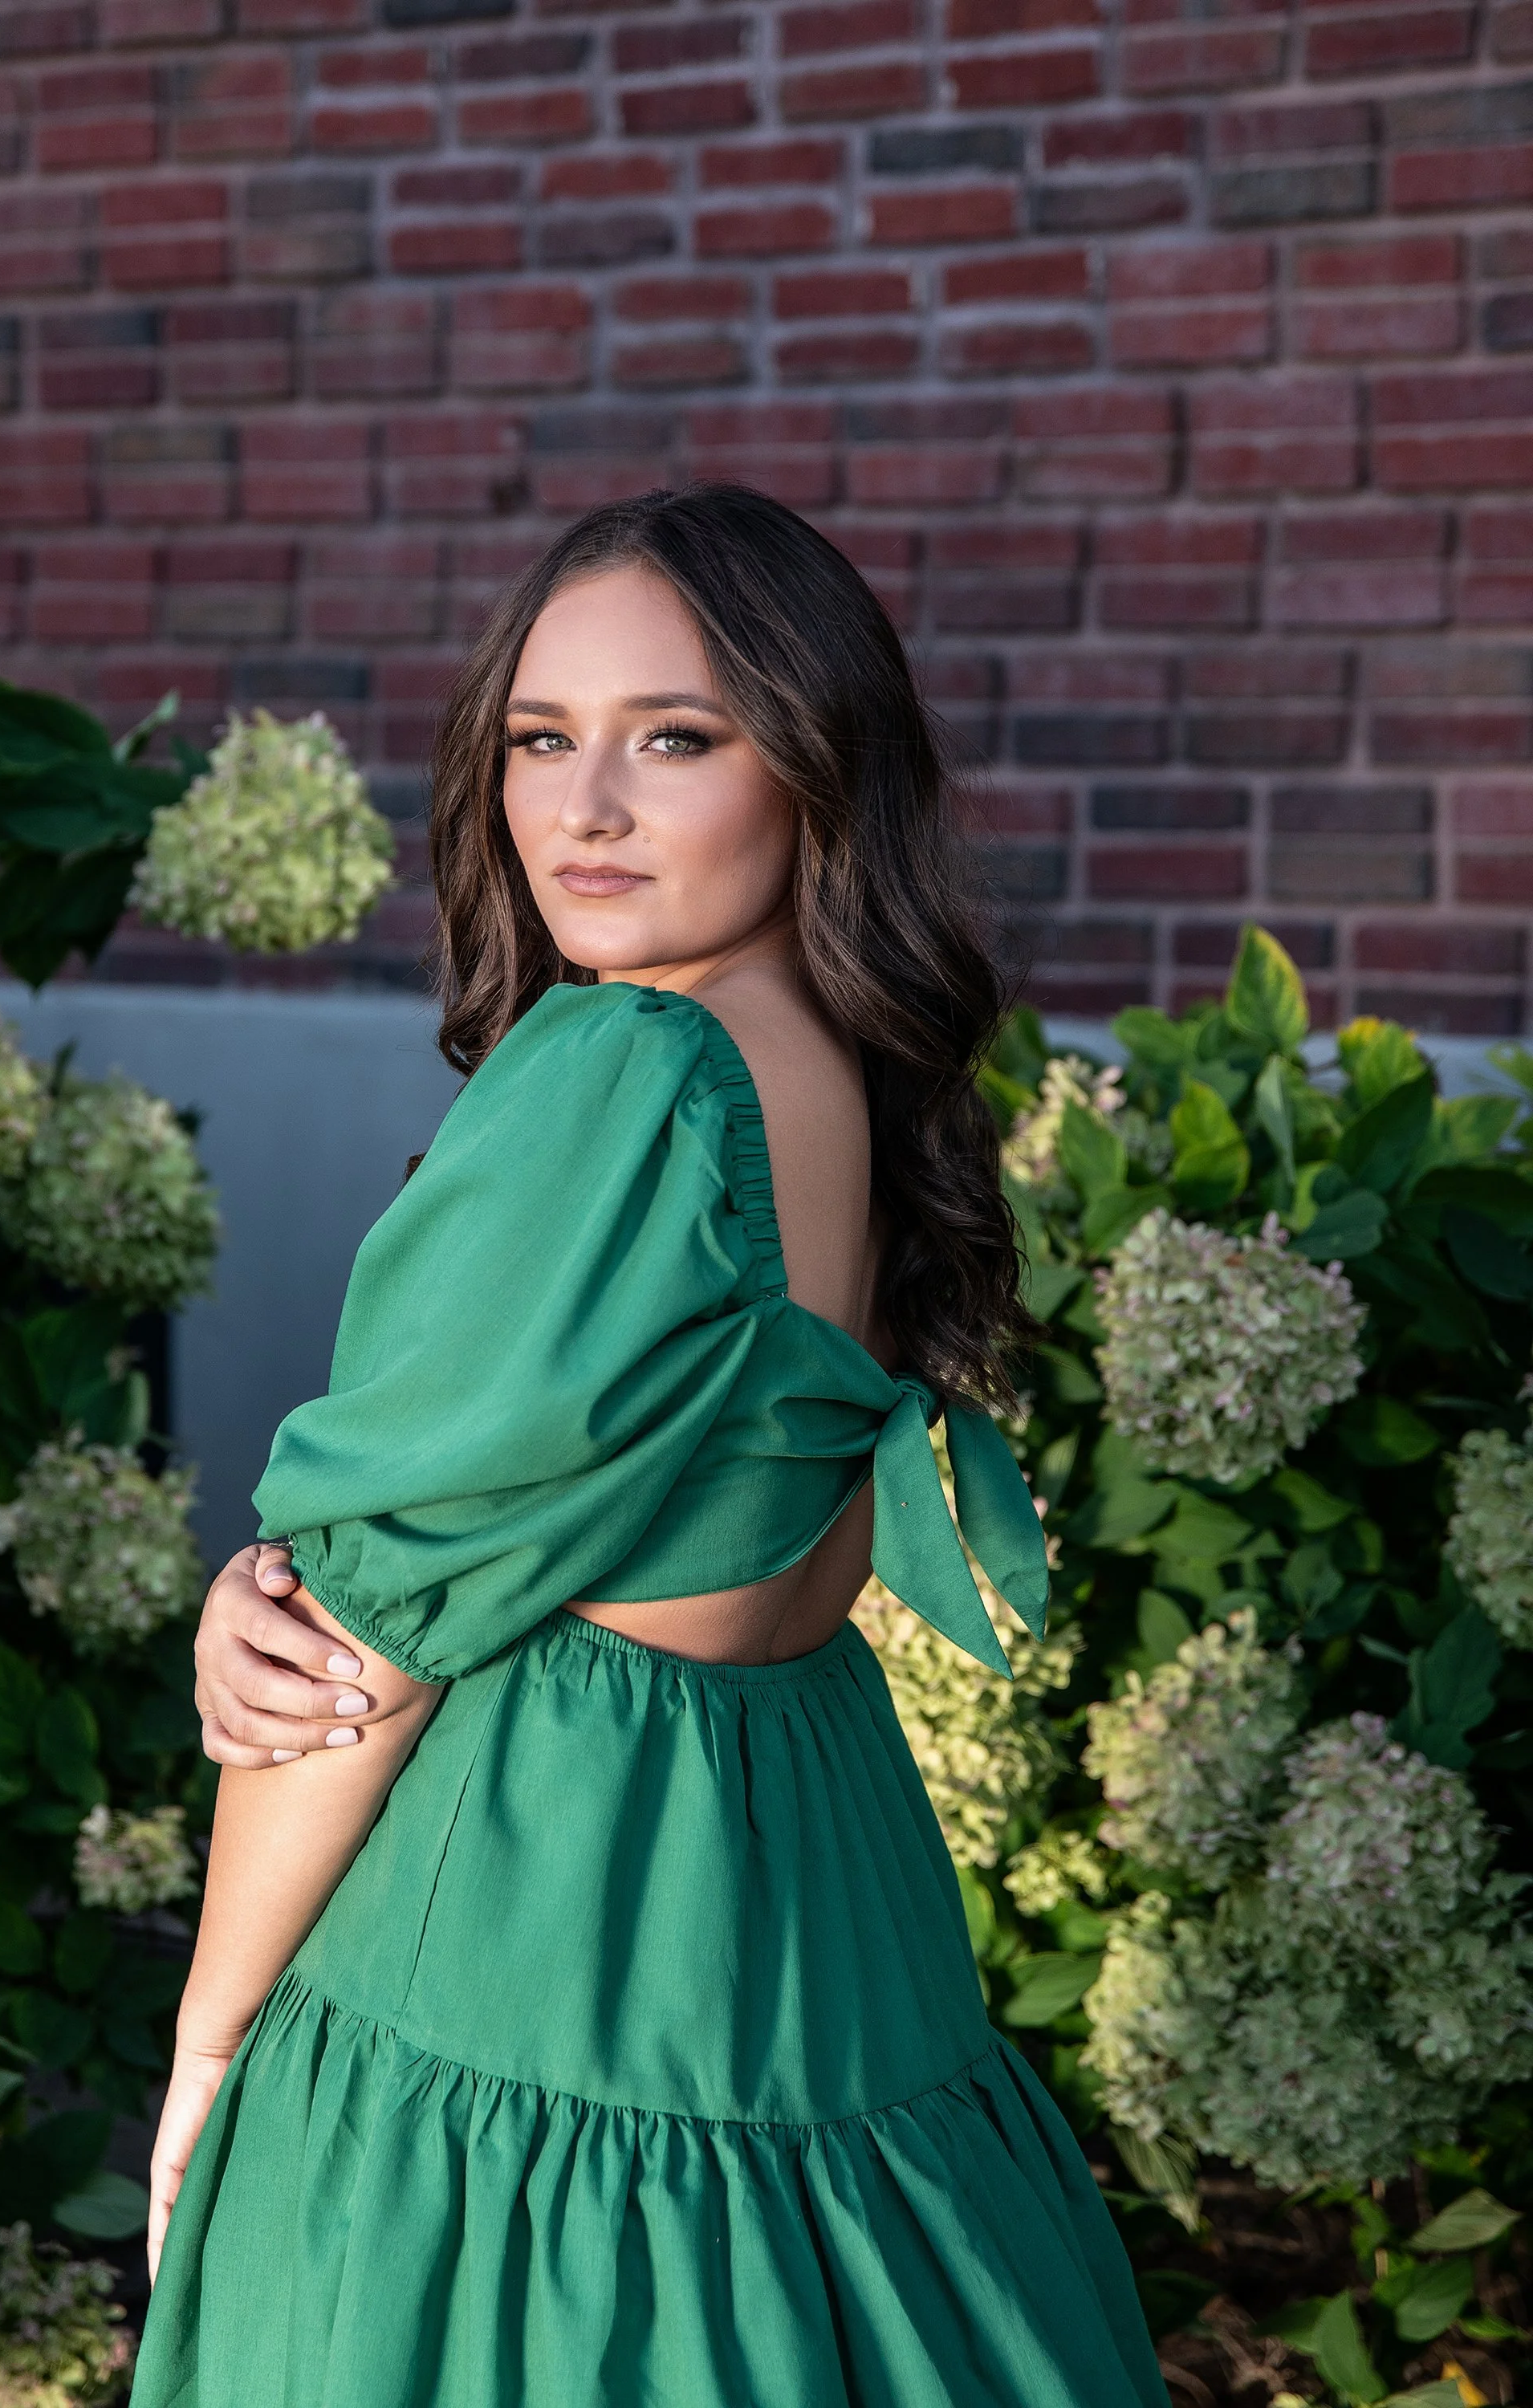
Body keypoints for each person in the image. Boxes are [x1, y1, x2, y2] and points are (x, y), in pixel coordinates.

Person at [132, 485, 1167, 2407]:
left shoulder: (626, 1068)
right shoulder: (832, 1060)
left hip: (543, 1900)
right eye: (542, 740)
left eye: (672, 739)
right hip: (798, 1861)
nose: (582, 808)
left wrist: (211, 2040)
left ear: (812, 769)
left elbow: (361, 1640)